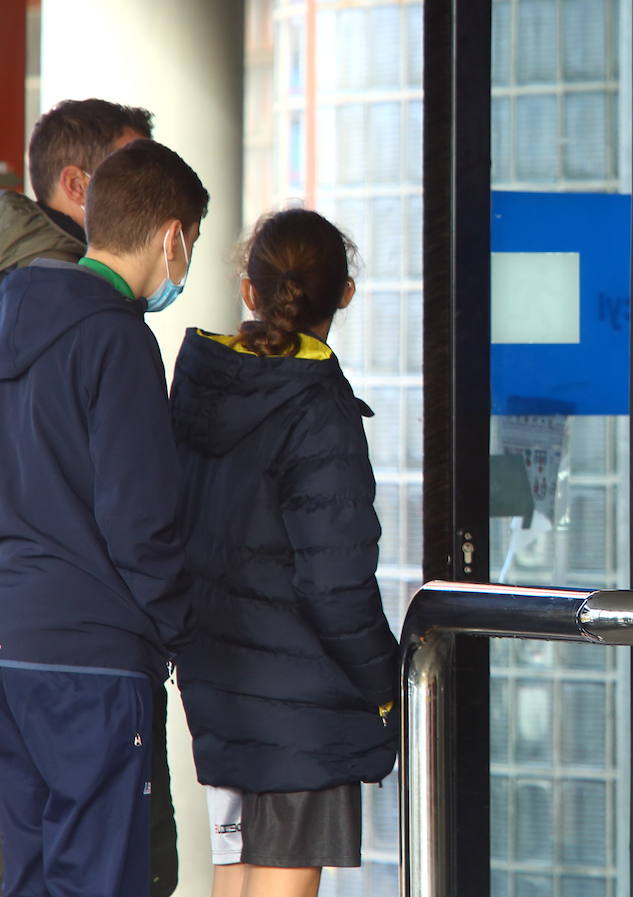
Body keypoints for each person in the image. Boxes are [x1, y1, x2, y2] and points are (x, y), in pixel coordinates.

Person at [0, 138, 205, 897]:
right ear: (172, 235)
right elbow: (142, 521)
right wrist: (182, 631)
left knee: (28, 878)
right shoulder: (119, 337)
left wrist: (33, 558)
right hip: (91, 662)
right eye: (191, 242)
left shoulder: (12, 319)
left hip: (4, 645)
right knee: (100, 879)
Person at [169, 208, 399, 897]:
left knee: (235, 876)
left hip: (218, 684)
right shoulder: (318, 407)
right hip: (302, 702)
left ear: (250, 290)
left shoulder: (202, 386)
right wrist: (384, 683)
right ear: (345, 294)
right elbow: (334, 581)